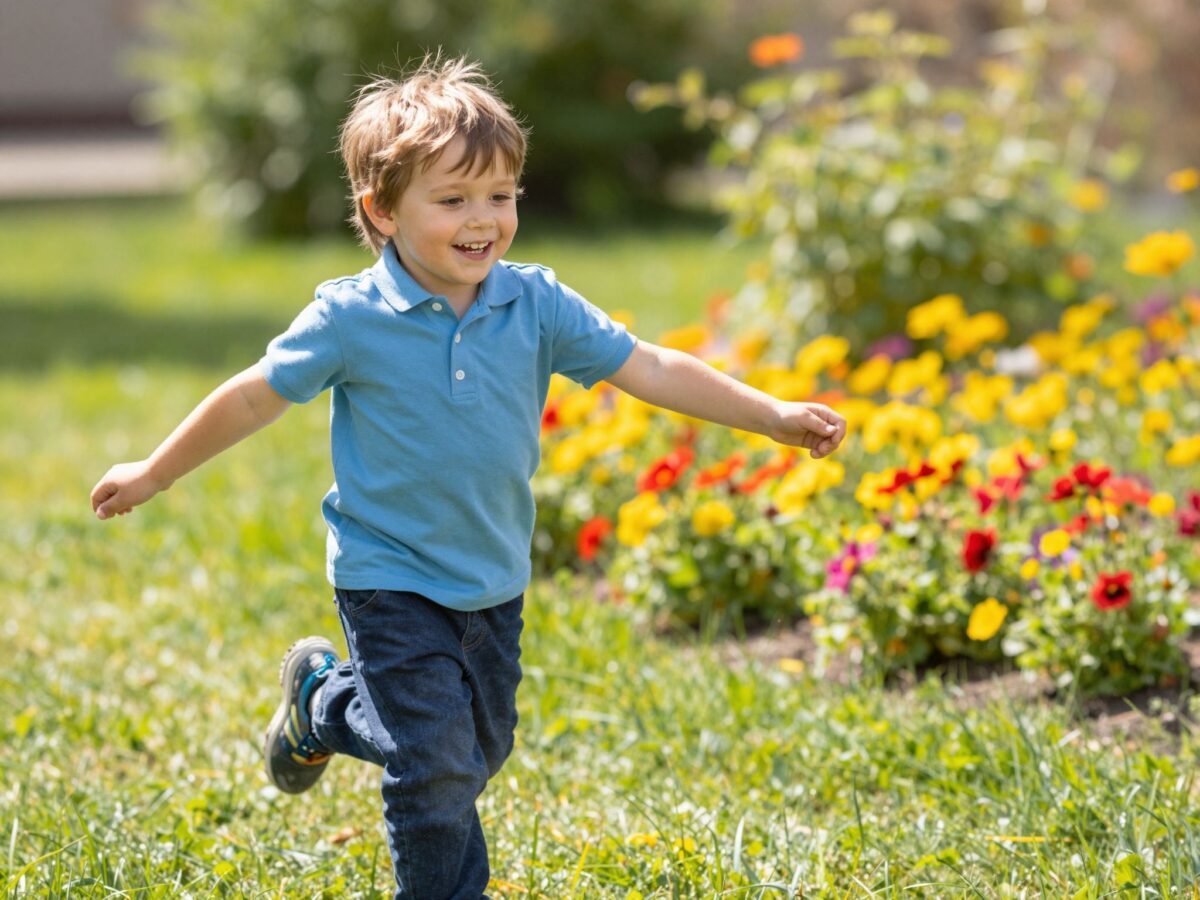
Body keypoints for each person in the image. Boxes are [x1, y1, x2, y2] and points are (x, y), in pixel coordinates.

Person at [90, 54, 846, 900]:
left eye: (501, 195)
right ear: (382, 211)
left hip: (491, 578)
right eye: (452, 201)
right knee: (436, 766)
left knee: (478, 751)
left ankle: (322, 704)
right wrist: (155, 472)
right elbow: (254, 398)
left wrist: (771, 414)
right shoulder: (350, 318)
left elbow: (652, 367)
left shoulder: (534, 303)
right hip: (389, 576)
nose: (483, 219)